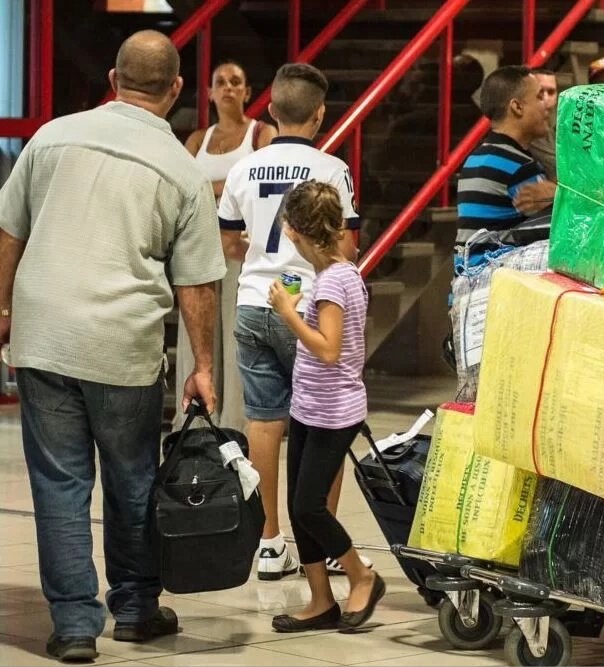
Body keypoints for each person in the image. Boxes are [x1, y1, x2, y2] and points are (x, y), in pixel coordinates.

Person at [0, 30, 224, 662]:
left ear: (112, 78)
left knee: (59, 483)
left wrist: (4, 310)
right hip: (121, 345)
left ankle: (73, 626)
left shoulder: (51, 137)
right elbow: (197, 284)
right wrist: (203, 366)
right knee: (132, 479)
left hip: (44, 338)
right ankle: (133, 608)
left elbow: (7, 231)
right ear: (177, 89)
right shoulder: (181, 168)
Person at [218, 62, 366, 581]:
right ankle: (325, 546)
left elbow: (229, 240)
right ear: (321, 114)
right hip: (310, 307)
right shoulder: (331, 169)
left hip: (254, 302)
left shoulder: (243, 169)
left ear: (272, 110)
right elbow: (346, 243)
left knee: (262, 420)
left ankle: (270, 541)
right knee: (323, 423)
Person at [266, 180, 384, 632]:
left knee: (311, 506)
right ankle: (320, 601)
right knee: (299, 507)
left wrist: (287, 312)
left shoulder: (335, 280)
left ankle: (361, 575)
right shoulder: (335, 272)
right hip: (311, 406)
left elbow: (330, 349)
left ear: (293, 231)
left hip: (334, 412)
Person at [174, 60, 277, 433]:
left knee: (236, 336)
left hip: (241, 250)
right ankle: (195, 424)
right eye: (221, 81)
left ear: (248, 92)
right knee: (195, 336)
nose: (229, 87)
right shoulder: (198, 139)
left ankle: (236, 425)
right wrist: (223, 188)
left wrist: (210, 189)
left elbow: (263, 187)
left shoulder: (262, 134)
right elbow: (180, 189)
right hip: (200, 250)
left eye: (237, 81)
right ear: (210, 92)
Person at [456, 65, 554, 254]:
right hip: (491, 273)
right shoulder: (518, 166)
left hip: (466, 273)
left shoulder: (478, 157)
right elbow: (560, 226)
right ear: (517, 107)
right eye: (539, 97)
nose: (547, 106)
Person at [527, 67, 558, 181]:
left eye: (551, 92)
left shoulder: (561, 131)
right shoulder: (524, 134)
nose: (545, 99)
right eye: (540, 92)